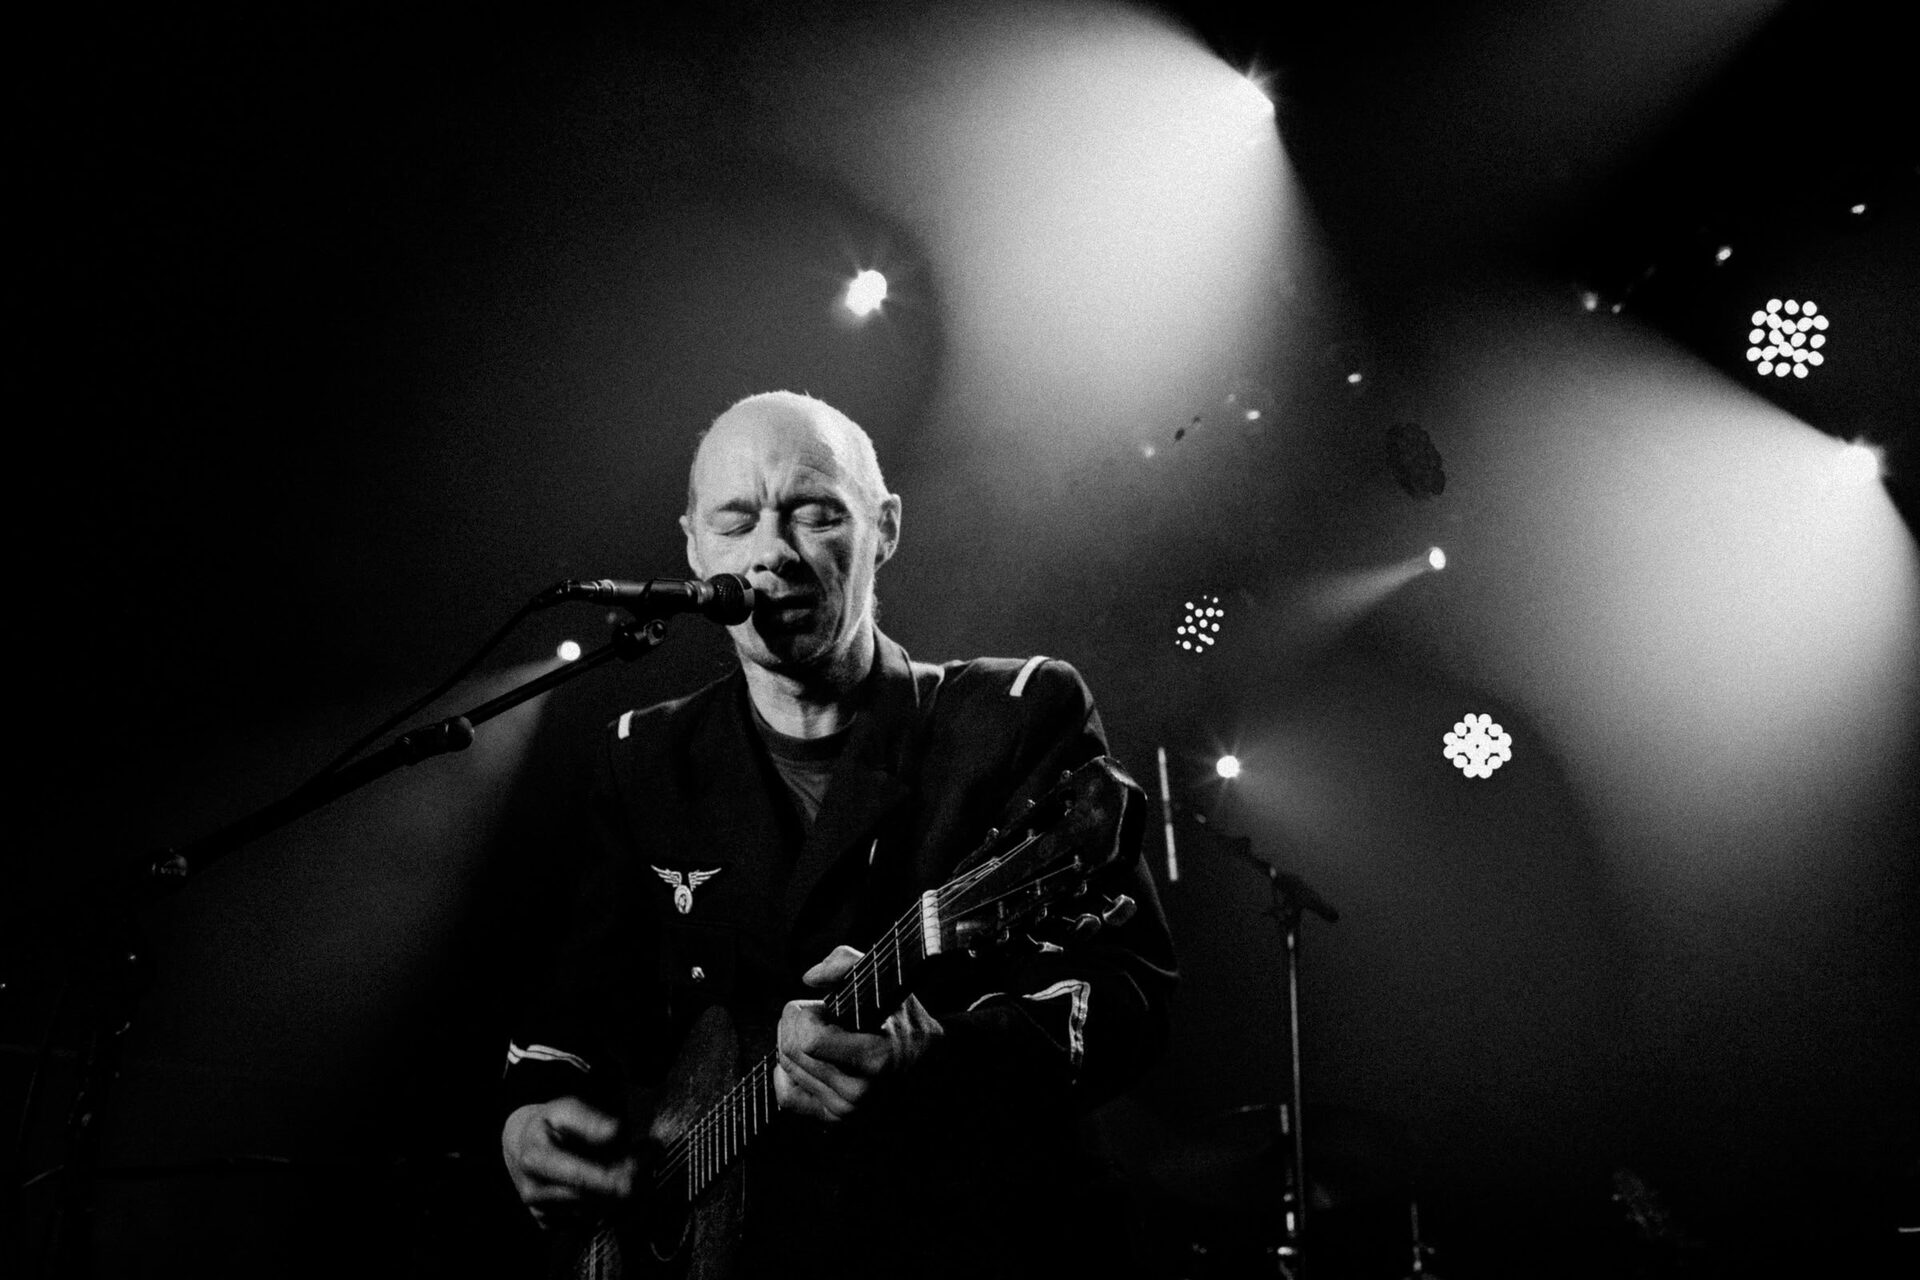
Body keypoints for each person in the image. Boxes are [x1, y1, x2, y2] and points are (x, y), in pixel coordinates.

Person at [499, 391, 1175, 1277]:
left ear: (884, 528)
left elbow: (1128, 996)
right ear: (695, 547)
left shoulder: (1012, 718)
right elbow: (579, 1002)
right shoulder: (649, 757)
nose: (772, 553)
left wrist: (943, 1062)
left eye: (815, 514)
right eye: (736, 522)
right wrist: (532, 1110)